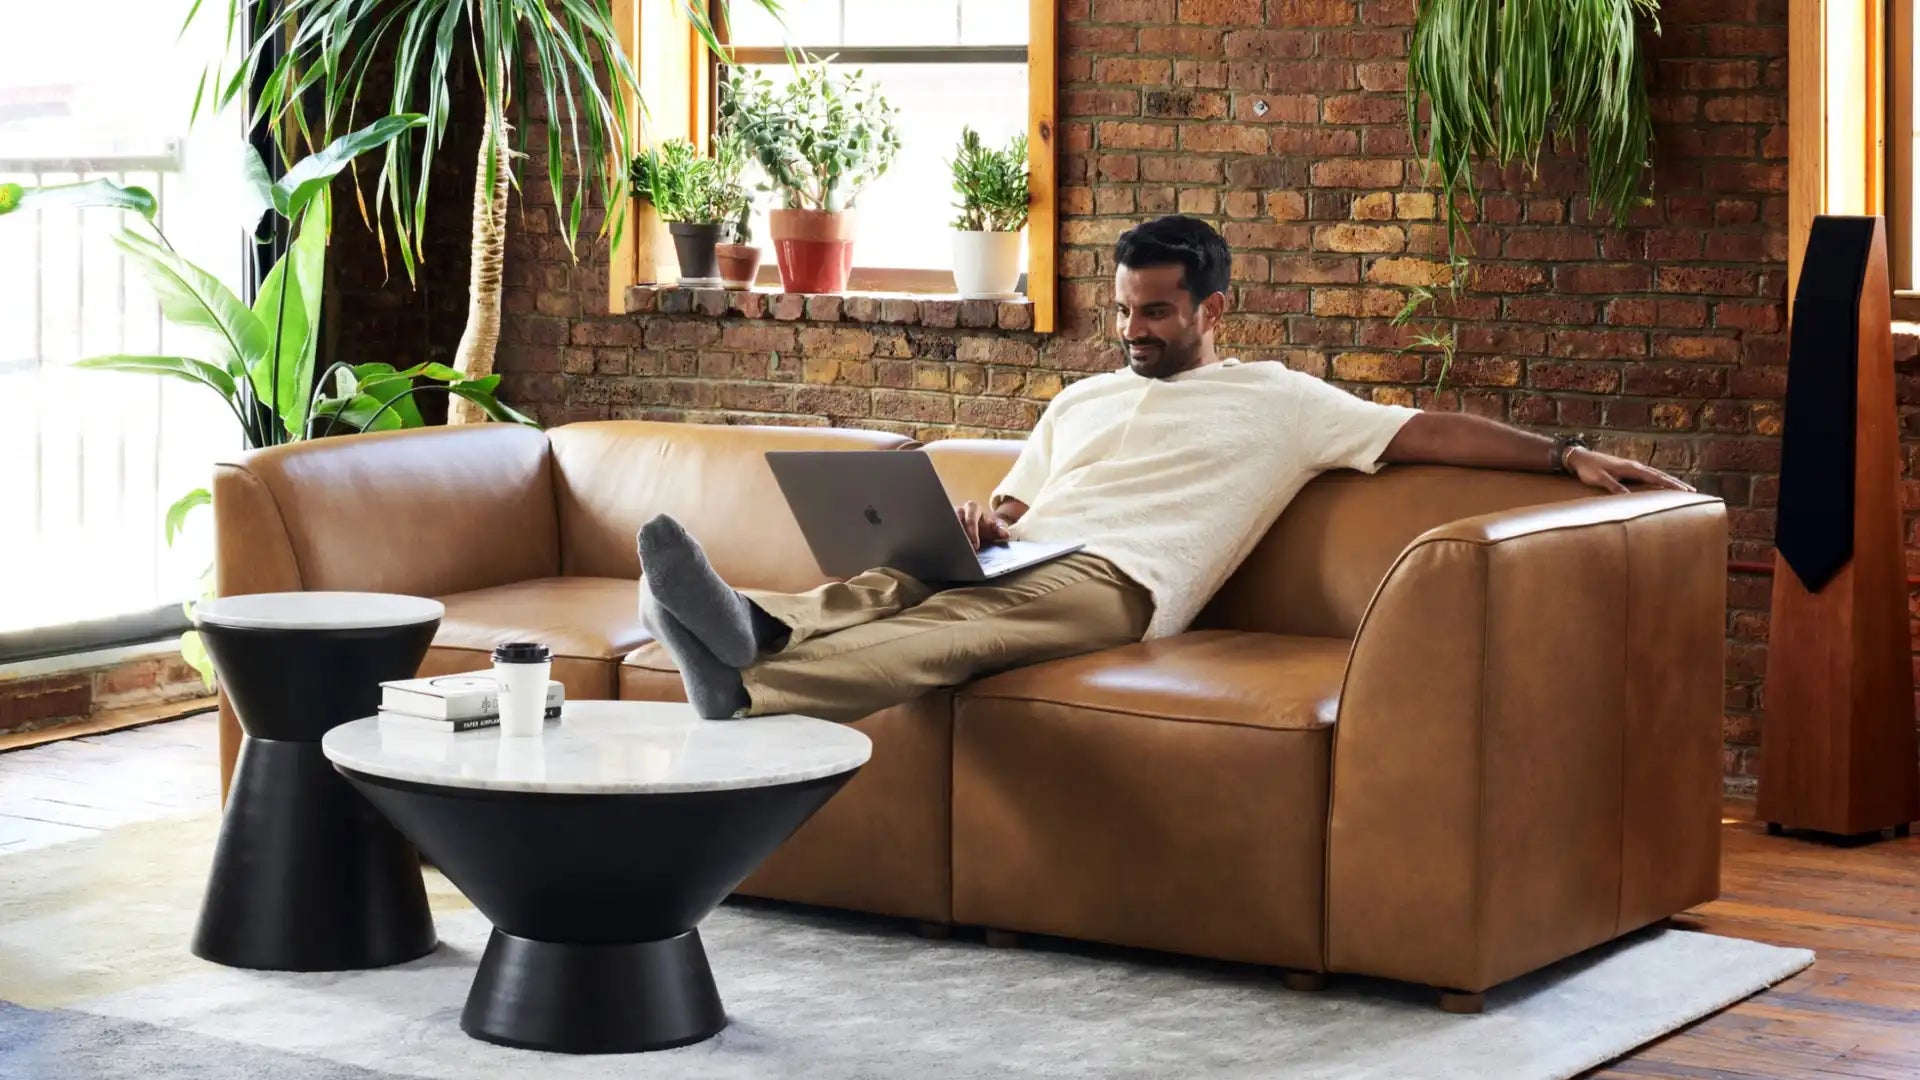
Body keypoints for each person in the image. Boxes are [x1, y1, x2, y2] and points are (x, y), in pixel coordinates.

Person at [638, 215, 1692, 720]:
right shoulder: (1084, 396)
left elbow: (1422, 430)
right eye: (1125, 309)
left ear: (1211, 311)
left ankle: (746, 686)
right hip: (1030, 553)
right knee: (900, 580)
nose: (1133, 330)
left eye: (1156, 312)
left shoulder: (1280, 400)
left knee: (952, 626)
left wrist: (1563, 454)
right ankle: (755, 627)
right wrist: (983, 521)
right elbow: (1017, 502)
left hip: (1124, 580)